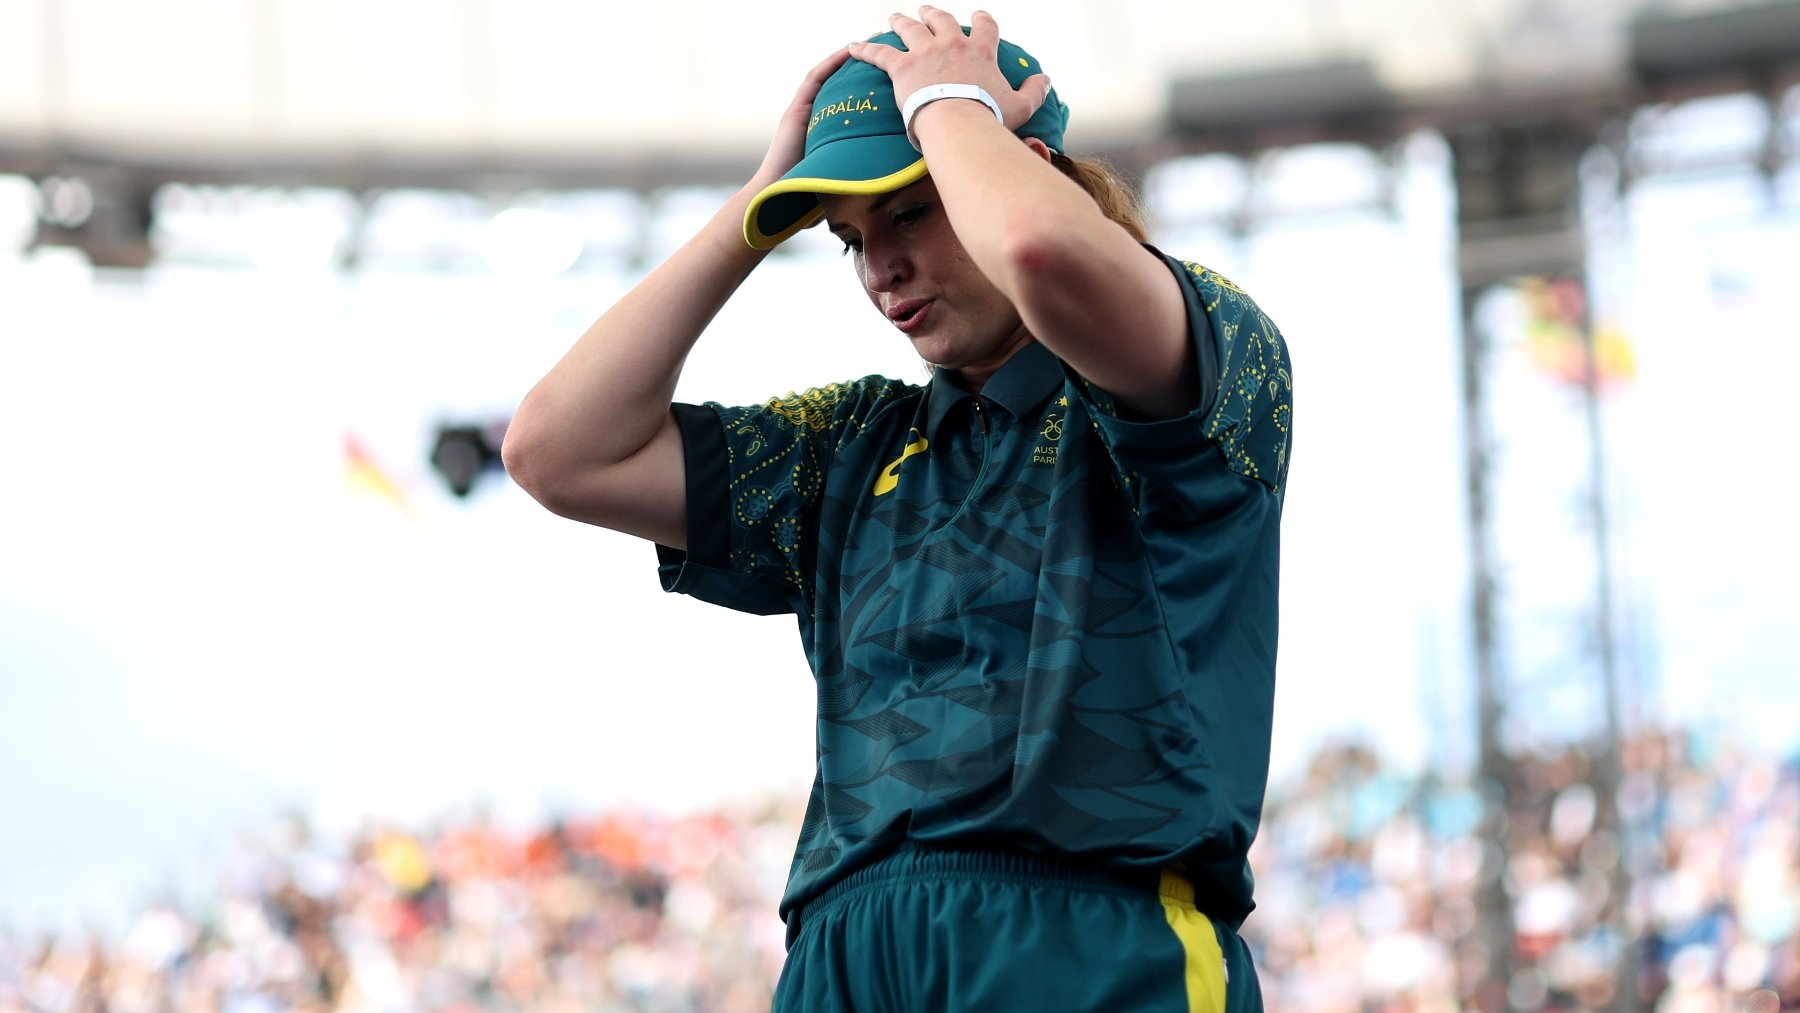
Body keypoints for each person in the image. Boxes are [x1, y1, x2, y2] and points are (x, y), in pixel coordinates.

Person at [504, 8, 1293, 1010]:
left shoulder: (1207, 343)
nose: (880, 269)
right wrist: (757, 204)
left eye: (911, 211)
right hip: (844, 949)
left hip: (1091, 937)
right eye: (848, 239)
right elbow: (555, 449)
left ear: (1025, 164)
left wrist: (950, 105)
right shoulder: (851, 443)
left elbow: (1047, 254)